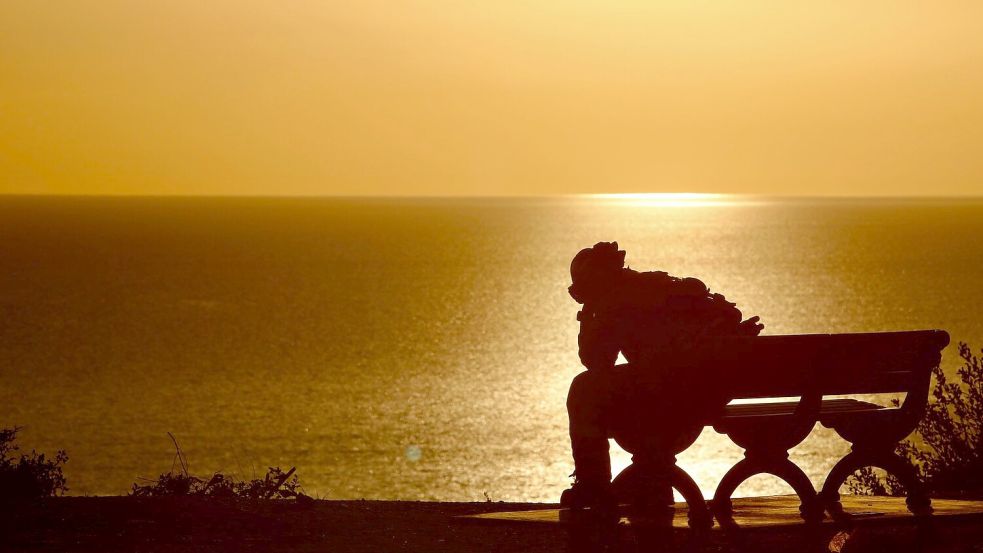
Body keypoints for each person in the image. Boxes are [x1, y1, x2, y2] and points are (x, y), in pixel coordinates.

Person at [563, 241, 764, 510]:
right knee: (630, 391)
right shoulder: (657, 286)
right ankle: (650, 487)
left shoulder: (617, 300)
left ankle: (593, 484)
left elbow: (596, 362)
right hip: (707, 392)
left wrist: (589, 315)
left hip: (671, 396)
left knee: (583, 389)